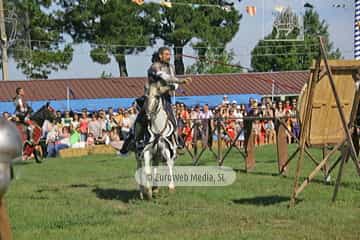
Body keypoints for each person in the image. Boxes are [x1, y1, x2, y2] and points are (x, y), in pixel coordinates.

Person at [120, 47, 191, 154]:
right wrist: (181, 81)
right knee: (142, 118)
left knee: (173, 119)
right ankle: (135, 141)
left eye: (169, 54)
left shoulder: (171, 67)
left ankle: (176, 142)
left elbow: (172, 81)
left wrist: (175, 85)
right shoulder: (155, 67)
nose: (169, 56)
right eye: (166, 54)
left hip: (166, 98)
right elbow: (165, 77)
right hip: (153, 97)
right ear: (160, 56)